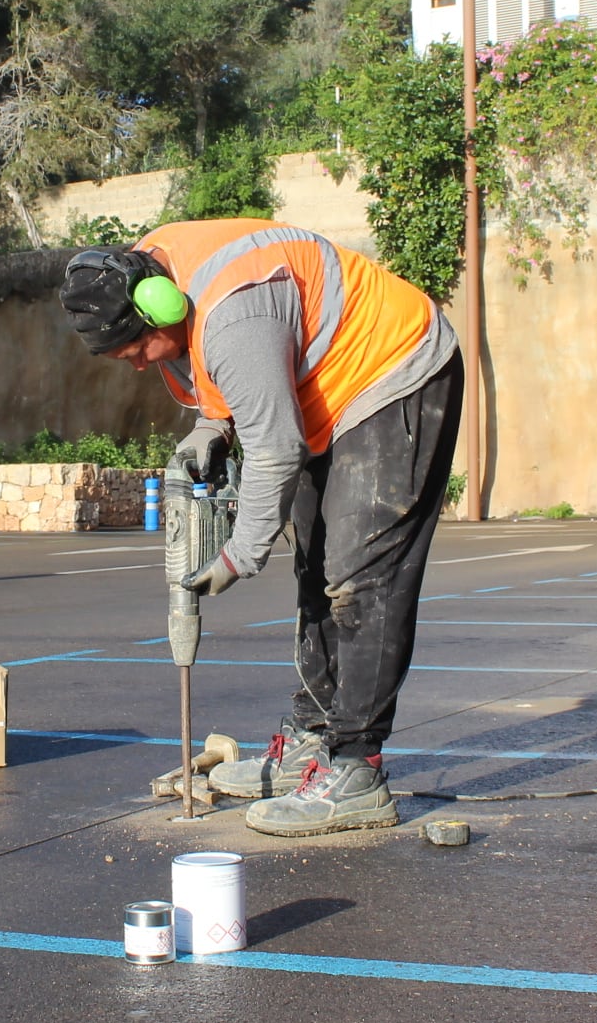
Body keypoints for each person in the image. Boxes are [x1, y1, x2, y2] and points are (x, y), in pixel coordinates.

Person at [58, 220, 464, 837]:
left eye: (137, 351)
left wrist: (238, 556)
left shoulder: (233, 316)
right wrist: (211, 429)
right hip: (321, 393)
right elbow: (232, 389)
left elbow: (274, 448)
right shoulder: (149, 271)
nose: (139, 367)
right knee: (317, 565)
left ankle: (357, 769)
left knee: (362, 575)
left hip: (393, 370)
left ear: (160, 311)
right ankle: (315, 738)